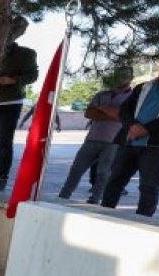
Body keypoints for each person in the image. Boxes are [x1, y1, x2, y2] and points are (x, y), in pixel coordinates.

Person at [99, 53, 159, 217]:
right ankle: (104, 214)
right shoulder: (143, 86)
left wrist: (146, 129)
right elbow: (125, 110)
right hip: (130, 141)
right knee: (114, 181)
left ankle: (143, 221)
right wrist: (132, 126)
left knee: (149, 186)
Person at [0, 16, 39, 190]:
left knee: (4, 141)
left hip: (11, 102)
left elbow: (33, 76)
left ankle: (1, 178)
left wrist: (12, 80)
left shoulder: (26, 53)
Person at [56, 71, 131, 204]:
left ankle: (95, 199)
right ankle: (64, 195)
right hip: (92, 138)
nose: (120, 78)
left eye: (124, 76)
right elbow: (89, 113)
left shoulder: (132, 97)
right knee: (76, 168)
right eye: (118, 76)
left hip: (114, 141)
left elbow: (122, 116)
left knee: (103, 172)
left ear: (131, 78)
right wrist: (112, 113)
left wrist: (102, 109)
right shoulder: (101, 94)